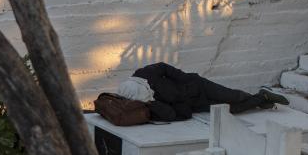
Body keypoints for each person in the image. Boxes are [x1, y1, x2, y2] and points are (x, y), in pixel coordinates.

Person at [121, 62, 289, 122]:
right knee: (231, 109)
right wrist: (153, 103)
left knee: (232, 96)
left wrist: (185, 78)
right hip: (195, 103)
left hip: (198, 85)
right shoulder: (148, 103)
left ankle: (262, 97)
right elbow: (176, 114)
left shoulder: (144, 74)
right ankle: (263, 98)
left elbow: (164, 67)